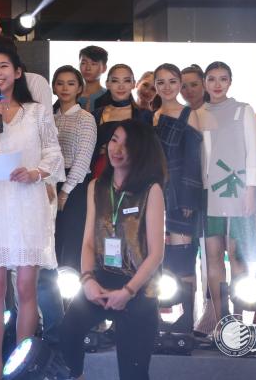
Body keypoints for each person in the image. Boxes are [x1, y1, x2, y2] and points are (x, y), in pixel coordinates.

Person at [0, 47, 64, 377]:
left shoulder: (37, 112)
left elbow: (53, 153)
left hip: (28, 202)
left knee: (25, 288)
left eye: (4, 66)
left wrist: (35, 172)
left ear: (18, 72)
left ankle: (22, 364)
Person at [59, 120, 166, 380]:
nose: (117, 149)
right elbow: (88, 241)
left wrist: (128, 291)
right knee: (67, 332)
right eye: (114, 140)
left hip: (139, 287)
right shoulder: (96, 186)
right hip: (101, 278)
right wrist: (87, 280)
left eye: (126, 145)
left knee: (133, 371)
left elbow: (156, 254)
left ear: (139, 150)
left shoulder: (151, 190)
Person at [200, 61, 256, 325]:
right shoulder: (198, 112)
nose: (217, 84)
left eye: (223, 79)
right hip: (208, 192)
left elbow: (253, 152)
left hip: (237, 190)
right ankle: (220, 319)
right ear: (205, 82)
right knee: (213, 255)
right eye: (212, 79)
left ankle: (237, 321)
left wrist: (251, 191)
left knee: (237, 255)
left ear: (230, 82)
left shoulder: (243, 110)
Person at [152, 63, 203, 332]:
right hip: (154, 194)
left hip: (181, 194)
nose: (167, 87)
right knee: (157, 258)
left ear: (180, 83)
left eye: (172, 81)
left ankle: (185, 323)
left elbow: (193, 160)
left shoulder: (188, 114)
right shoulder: (152, 115)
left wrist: (187, 199)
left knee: (182, 259)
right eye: (161, 82)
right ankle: (158, 321)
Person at [52, 66, 97, 271]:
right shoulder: (50, 117)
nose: (65, 88)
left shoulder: (85, 118)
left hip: (75, 185)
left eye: (71, 84)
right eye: (60, 83)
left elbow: (83, 159)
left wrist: (65, 191)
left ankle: (73, 284)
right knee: (53, 236)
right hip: (51, 180)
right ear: (54, 87)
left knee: (72, 238)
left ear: (79, 88)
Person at [91, 65, 152, 178]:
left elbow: (148, 153)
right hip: (100, 172)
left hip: (133, 174)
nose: (121, 86)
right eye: (115, 81)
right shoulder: (95, 115)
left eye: (126, 81)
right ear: (107, 84)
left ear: (133, 84)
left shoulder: (145, 116)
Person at [77, 46, 109, 111]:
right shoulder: (70, 94)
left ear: (104, 68)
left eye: (93, 64)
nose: (88, 68)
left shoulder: (110, 96)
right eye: (83, 63)